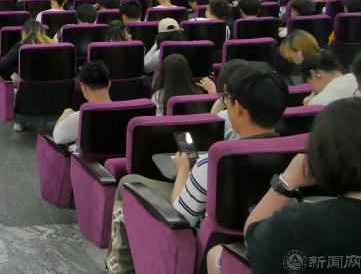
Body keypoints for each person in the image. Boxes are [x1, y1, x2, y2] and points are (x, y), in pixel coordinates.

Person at [106, 63, 287, 273]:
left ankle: (119, 267)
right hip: (257, 242)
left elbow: (179, 217)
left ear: (237, 107)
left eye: (227, 98)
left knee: (128, 183)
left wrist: (183, 170)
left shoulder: (213, 163)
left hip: (202, 246)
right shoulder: (297, 159)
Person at [212, 98, 361, 274]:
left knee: (215, 254)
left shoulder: (297, 224)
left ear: (322, 155)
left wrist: (286, 180)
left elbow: (253, 237)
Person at [0, 21, 56, 132]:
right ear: (42, 32)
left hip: (28, 98)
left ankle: (20, 120)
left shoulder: (21, 47)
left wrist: (12, 73)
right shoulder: (56, 46)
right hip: (55, 98)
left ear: (24, 33)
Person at [52, 61, 111, 147]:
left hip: (88, 156)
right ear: (109, 83)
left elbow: (57, 137)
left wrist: (66, 112)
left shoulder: (80, 117)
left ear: (83, 87)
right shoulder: (127, 111)